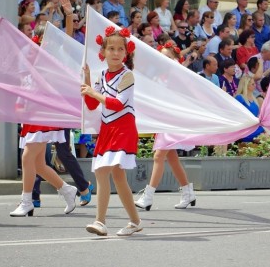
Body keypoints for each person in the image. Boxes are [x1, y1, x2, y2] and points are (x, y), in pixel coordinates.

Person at [10, 27, 78, 217]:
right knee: (38, 164)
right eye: (38, 38)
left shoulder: (51, 59)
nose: (39, 43)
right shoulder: (29, 58)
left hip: (43, 114)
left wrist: (69, 16)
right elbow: (25, 84)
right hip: (30, 114)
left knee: (27, 156)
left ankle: (26, 201)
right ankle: (66, 189)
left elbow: (67, 41)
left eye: (43, 39)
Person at [81, 26, 142, 236]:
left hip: (123, 127)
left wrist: (92, 92)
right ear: (103, 52)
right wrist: (87, 80)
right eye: (111, 49)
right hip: (107, 128)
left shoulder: (127, 75)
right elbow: (91, 105)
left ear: (126, 53)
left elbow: (117, 104)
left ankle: (100, 221)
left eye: (120, 49)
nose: (116, 53)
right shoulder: (102, 76)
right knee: (117, 175)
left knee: (103, 171)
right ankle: (134, 221)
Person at [134, 44, 196, 211]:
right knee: (172, 158)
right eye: (161, 57)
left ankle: (148, 196)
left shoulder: (178, 74)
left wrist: (178, 65)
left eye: (168, 57)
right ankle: (188, 193)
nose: (164, 60)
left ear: (175, 59)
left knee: (158, 156)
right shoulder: (160, 76)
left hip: (175, 120)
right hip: (164, 120)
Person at [234, 75, 264, 142]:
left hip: (255, 126)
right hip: (246, 129)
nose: (255, 86)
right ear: (246, 85)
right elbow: (236, 115)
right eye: (252, 84)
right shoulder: (240, 98)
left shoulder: (254, 98)